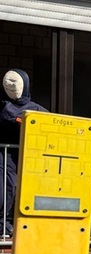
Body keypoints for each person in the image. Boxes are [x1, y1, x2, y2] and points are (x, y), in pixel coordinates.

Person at [0, 68, 47, 236]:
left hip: (30, 158)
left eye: (15, 85)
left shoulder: (37, 109)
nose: (11, 88)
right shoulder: (3, 106)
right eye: (8, 85)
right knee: (6, 188)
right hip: (6, 156)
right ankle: (1, 223)